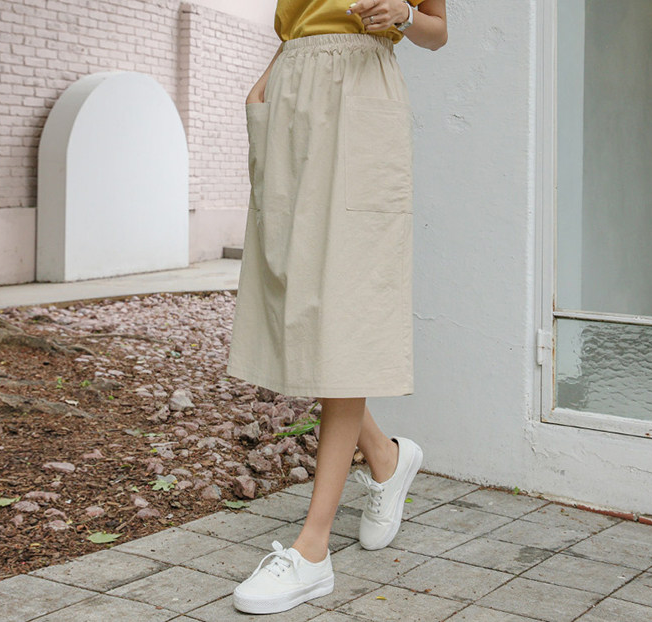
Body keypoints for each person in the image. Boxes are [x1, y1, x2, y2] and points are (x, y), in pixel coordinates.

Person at [226, 0, 448, 614]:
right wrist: (266, 82)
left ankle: (313, 549)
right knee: (296, 309)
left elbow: (437, 31)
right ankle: (386, 457)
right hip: (290, 91)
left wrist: (403, 14)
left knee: (342, 313)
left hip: (359, 93)